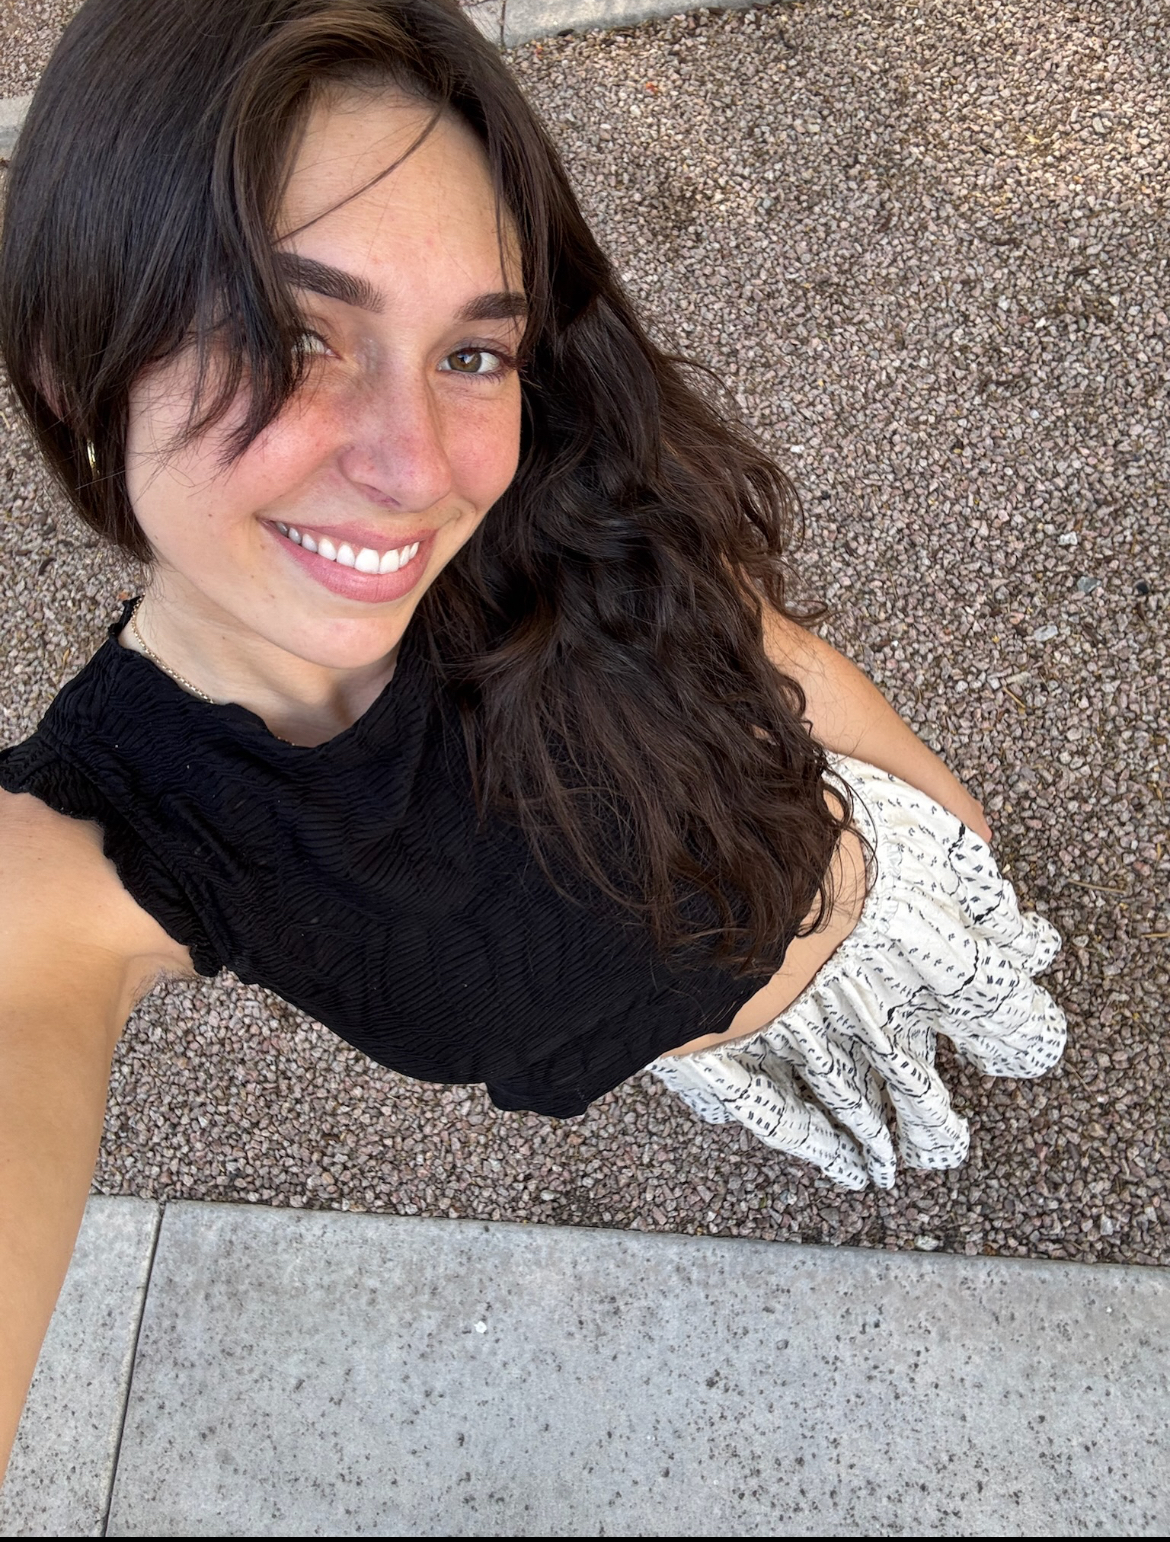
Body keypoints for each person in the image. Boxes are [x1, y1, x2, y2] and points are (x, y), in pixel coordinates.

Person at [0, 0, 1066, 1470]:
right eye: (294, 334)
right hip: (712, 1043)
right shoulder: (91, 856)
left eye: (472, 353)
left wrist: (953, 826)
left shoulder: (569, 494)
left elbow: (780, 660)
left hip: (871, 892)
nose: (418, 470)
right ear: (74, 367)